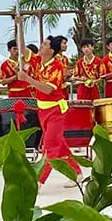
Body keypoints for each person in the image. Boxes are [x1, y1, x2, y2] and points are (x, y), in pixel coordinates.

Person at [17, 34, 82, 187]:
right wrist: (19, 27)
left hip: (55, 111)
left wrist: (27, 79)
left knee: (50, 146)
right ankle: (77, 173)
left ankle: (38, 181)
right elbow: (22, 49)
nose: (41, 46)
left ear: (52, 50)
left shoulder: (57, 67)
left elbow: (47, 89)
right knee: (59, 145)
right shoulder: (38, 60)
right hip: (42, 110)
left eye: (45, 44)